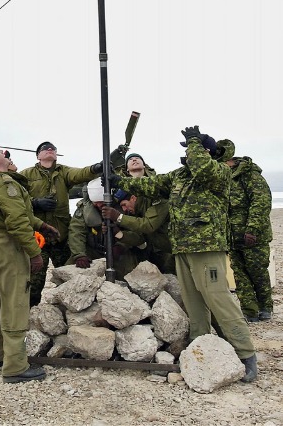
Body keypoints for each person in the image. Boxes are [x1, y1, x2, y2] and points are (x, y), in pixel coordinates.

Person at [107, 126, 258, 383]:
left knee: (218, 298)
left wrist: (196, 142)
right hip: (183, 247)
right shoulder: (179, 176)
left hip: (206, 247)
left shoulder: (217, 172)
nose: (187, 152)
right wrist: (119, 180)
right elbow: (150, 184)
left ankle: (245, 353)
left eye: (192, 148)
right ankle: (199, 349)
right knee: (193, 303)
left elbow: (203, 166)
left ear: (204, 151)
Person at [0, 145, 60, 383]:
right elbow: (16, 223)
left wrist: (41, 226)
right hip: (7, 247)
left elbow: (20, 214)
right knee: (16, 304)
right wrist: (35, 254)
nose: (3, 155)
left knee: (2, 302)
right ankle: (15, 367)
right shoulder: (5, 184)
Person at [20, 142, 102, 306]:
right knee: (34, 283)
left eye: (53, 149)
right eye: (45, 148)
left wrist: (96, 168)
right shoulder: (26, 175)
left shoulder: (63, 172)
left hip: (60, 236)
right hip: (37, 238)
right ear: (38, 156)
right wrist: (35, 203)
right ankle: (27, 319)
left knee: (69, 279)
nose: (49, 149)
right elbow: (16, 198)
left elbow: (80, 174)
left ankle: (66, 313)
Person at [216, 139, 273, 322]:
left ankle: (265, 306)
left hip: (253, 236)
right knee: (240, 275)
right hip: (231, 236)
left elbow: (261, 202)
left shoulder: (249, 174)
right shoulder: (220, 176)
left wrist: (252, 229)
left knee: (257, 272)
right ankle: (249, 310)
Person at [102, 153, 175, 274]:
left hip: (173, 248)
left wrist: (118, 217)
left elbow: (148, 225)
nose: (134, 160)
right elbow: (139, 236)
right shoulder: (122, 193)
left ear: (133, 198)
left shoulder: (157, 189)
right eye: (130, 159)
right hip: (152, 247)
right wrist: (117, 233)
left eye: (137, 158)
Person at [67, 178, 145, 279]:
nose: (99, 205)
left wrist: (121, 245)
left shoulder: (124, 207)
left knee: (130, 277)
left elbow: (137, 234)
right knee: (70, 270)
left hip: (120, 251)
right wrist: (79, 255)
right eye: (96, 202)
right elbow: (76, 231)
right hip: (93, 250)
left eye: (101, 202)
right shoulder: (85, 209)